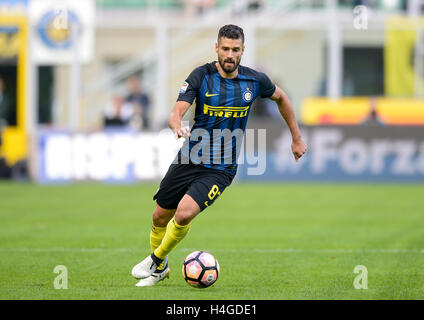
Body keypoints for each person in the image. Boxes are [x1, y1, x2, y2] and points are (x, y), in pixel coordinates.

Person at [131, 24, 307, 286]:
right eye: (225, 48)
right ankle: (160, 269)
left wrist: (296, 137)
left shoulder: (255, 80)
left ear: (242, 51)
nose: (229, 55)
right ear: (217, 48)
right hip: (190, 157)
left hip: (221, 168)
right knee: (159, 216)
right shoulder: (201, 76)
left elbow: (282, 99)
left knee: (185, 213)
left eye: (235, 50)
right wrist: (177, 124)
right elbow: (177, 110)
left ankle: (155, 260)